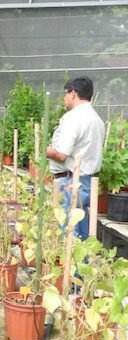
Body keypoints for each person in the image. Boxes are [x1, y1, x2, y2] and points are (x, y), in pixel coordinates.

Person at [47, 76, 105, 240]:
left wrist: (46, 150)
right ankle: (80, 264)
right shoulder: (97, 120)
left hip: (70, 182)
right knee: (81, 233)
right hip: (86, 182)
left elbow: (61, 154)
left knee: (68, 233)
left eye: (65, 94)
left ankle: (72, 266)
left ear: (73, 93)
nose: (64, 98)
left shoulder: (73, 118)